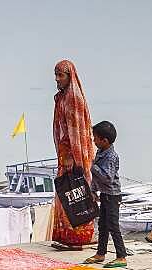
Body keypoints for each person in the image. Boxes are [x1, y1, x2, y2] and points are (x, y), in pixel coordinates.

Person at [51, 59, 96, 251]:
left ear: (70, 77)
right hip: (64, 154)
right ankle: (67, 235)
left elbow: (76, 132)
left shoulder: (74, 99)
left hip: (74, 156)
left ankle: (79, 236)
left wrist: (73, 157)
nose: (57, 79)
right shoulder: (61, 98)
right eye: (56, 75)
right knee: (65, 192)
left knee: (76, 193)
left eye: (60, 75)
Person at [81, 121, 126, 268]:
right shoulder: (100, 152)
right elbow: (96, 178)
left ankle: (121, 256)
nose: (94, 141)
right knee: (103, 225)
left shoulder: (111, 156)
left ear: (104, 140)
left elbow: (107, 177)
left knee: (113, 225)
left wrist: (91, 166)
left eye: (95, 138)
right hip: (104, 194)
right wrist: (93, 190)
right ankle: (101, 253)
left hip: (112, 195)